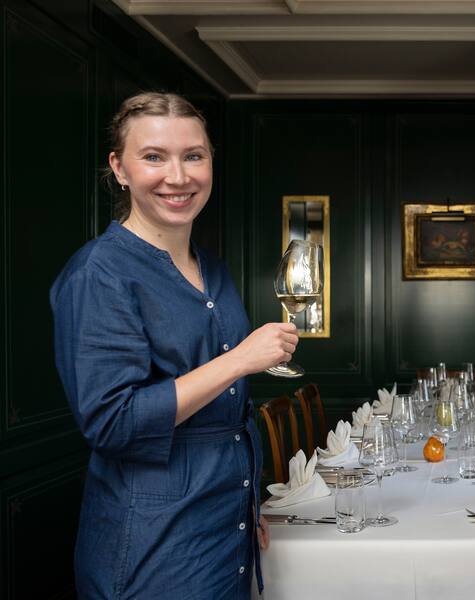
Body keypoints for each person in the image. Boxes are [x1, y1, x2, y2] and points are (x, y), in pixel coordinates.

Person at [51, 92, 298, 598]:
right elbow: (114, 422)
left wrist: (243, 510)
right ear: (119, 169)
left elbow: (227, 416)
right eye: (153, 157)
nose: (179, 176)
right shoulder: (99, 274)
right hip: (154, 549)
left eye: (193, 155)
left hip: (223, 533)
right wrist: (239, 361)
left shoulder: (214, 269)